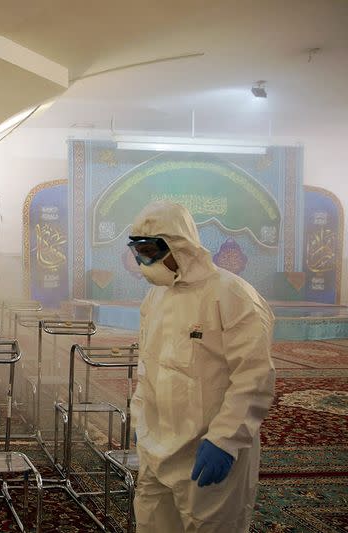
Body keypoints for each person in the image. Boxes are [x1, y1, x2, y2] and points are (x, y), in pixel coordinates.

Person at [127, 201, 276, 532]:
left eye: (150, 251)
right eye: (138, 252)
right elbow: (147, 368)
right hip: (155, 448)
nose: (143, 262)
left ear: (179, 245)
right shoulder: (155, 298)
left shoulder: (232, 295)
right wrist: (140, 419)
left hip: (207, 453)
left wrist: (224, 440)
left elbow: (253, 378)